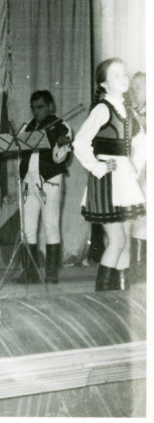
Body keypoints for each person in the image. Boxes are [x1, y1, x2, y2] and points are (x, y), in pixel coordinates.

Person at [73, 58, 146, 291]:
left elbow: (142, 141)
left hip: (124, 182)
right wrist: (98, 167)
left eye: (124, 73)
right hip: (107, 183)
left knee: (125, 242)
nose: (123, 78)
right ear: (103, 84)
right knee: (117, 241)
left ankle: (119, 297)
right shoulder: (102, 109)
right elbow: (79, 143)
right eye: (116, 75)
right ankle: (101, 296)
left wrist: (135, 165)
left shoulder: (128, 111)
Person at [13, 91, 73, 284]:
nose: (35, 112)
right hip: (29, 182)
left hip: (50, 181)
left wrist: (61, 146)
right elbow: (22, 156)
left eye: (40, 107)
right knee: (28, 228)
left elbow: (60, 159)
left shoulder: (62, 126)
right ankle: (29, 272)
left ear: (51, 107)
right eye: (33, 108)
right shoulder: (28, 127)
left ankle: (51, 273)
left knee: (50, 225)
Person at [128, 72, 146, 283]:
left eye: (139, 87)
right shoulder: (132, 115)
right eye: (133, 88)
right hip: (139, 177)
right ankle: (139, 278)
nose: (134, 91)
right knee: (139, 224)